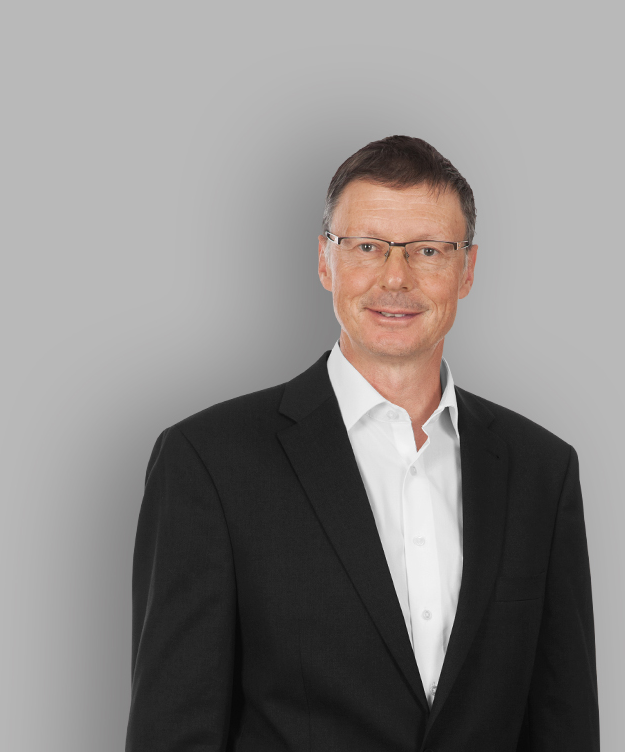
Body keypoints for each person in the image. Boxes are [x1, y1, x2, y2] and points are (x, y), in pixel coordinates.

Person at [125, 136, 598, 751]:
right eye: (367, 247)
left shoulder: (541, 471)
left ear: (467, 270)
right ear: (326, 261)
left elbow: (565, 727)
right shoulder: (209, 463)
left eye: (428, 250)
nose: (395, 278)